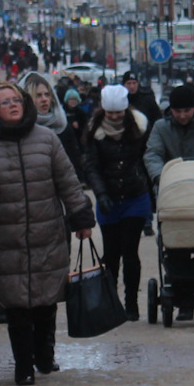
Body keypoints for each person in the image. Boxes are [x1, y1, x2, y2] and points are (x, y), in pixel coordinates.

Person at [0, 82, 95, 385]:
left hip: (47, 233)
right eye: (5, 102)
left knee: (45, 302)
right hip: (4, 238)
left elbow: (68, 180)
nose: (13, 105)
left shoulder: (47, 139)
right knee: (16, 309)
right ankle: (23, 365)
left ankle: (45, 354)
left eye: (17, 100)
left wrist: (80, 217)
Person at [83, 83, 152, 318]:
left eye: (118, 112)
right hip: (109, 197)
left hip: (135, 196)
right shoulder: (95, 131)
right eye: (110, 113)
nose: (114, 117)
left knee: (130, 251)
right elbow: (92, 166)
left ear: (125, 109)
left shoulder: (139, 127)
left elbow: (147, 158)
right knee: (111, 254)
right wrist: (100, 193)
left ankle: (131, 303)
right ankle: (111, 304)